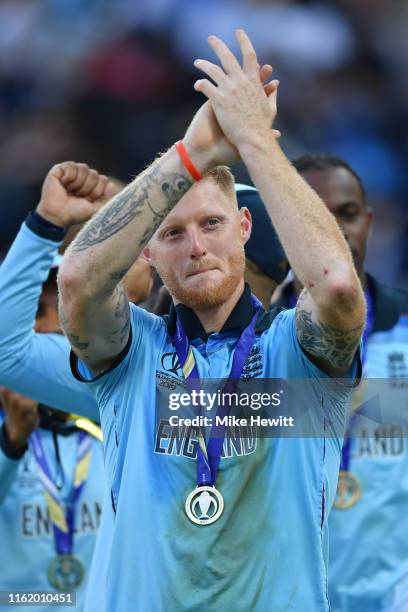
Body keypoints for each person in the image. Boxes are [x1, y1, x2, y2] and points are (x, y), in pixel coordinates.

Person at [58, 31, 365, 611]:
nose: (196, 246)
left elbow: (339, 286)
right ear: (146, 253)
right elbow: (77, 280)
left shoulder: (294, 352)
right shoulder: (133, 357)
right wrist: (192, 154)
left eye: (212, 225)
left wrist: (254, 140)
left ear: (245, 227)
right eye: (172, 233)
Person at [273, 153, 408, 611]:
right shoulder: (247, 349)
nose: (336, 232)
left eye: (347, 215)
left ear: (369, 223)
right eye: (314, 215)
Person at [0, 265, 105, 611]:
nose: (46, 327)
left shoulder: (113, 420)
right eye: (33, 313)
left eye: (60, 311)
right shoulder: (6, 436)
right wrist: (12, 441)